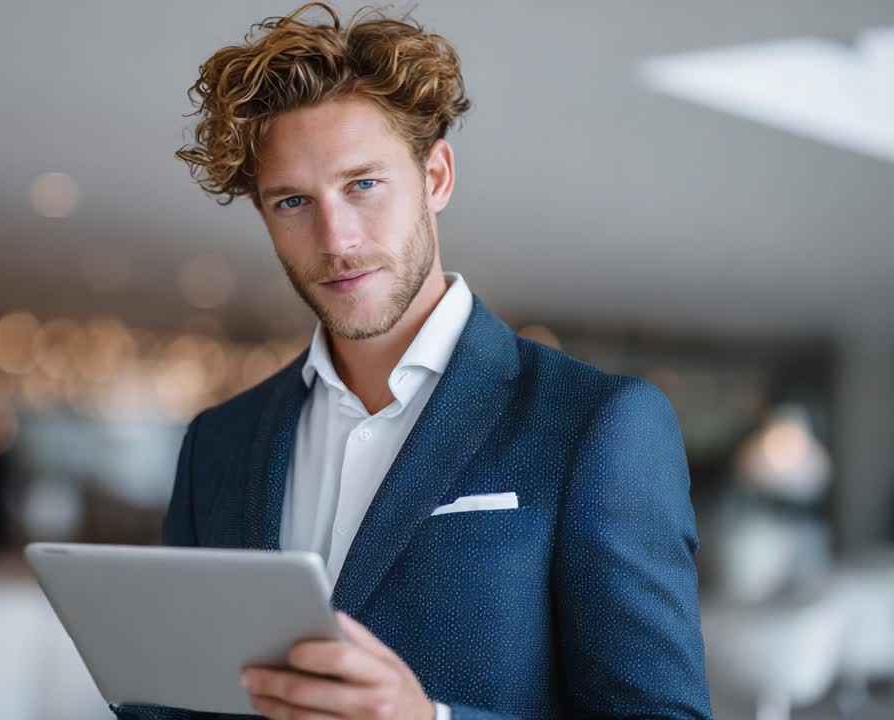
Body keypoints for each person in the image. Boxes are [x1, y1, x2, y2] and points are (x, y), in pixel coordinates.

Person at [115, 3, 712, 718]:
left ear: (436, 177)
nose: (336, 239)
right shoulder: (217, 443)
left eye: (363, 184)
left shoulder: (600, 424)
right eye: (293, 201)